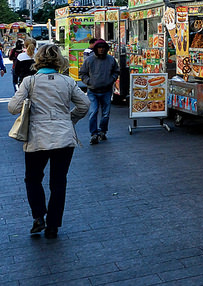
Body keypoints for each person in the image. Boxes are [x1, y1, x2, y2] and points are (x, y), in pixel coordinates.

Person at [8, 43, 90, 239]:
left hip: (37, 138)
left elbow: (12, 107)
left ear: (38, 60)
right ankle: (53, 225)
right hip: (63, 137)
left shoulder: (30, 81)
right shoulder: (67, 81)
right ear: (58, 61)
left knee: (33, 178)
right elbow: (84, 104)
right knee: (58, 182)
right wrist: (69, 119)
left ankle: (38, 216)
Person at [78, 39, 120, 145]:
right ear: (95, 49)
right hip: (93, 91)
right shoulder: (89, 60)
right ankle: (94, 134)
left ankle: (102, 131)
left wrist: (111, 80)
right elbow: (82, 73)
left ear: (106, 49)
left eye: (103, 48)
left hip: (106, 90)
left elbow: (116, 71)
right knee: (93, 112)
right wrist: (89, 82)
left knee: (106, 114)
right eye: (99, 48)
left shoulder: (111, 60)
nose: (101, 49)